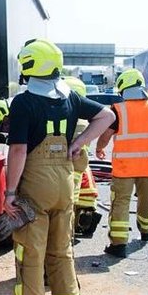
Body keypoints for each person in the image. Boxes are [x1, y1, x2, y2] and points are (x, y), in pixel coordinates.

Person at [0, 39, 115, 295]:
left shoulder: (24, 102)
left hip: (35, 190)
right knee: (62, 252)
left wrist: (10, 193)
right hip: (64, 186)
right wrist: (79, 142)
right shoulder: (71, 97)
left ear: (28, 65)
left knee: (30, 254)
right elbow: (108, 116)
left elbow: (19, 150)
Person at [94, 69, 148, 258]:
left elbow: (106, 134)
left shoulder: (118, 110)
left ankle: (119, 245)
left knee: (120, 202)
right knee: (147, 200)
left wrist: (99, 148)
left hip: (124, 168)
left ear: (122, 88)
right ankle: (145, 232)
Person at [62, 76, 101, 238]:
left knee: (64, 205)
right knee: (71, 201)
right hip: (79, 167)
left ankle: (65, 234)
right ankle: (69, 234)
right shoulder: (86, 121)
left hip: (60, 166)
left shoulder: (61, 115)